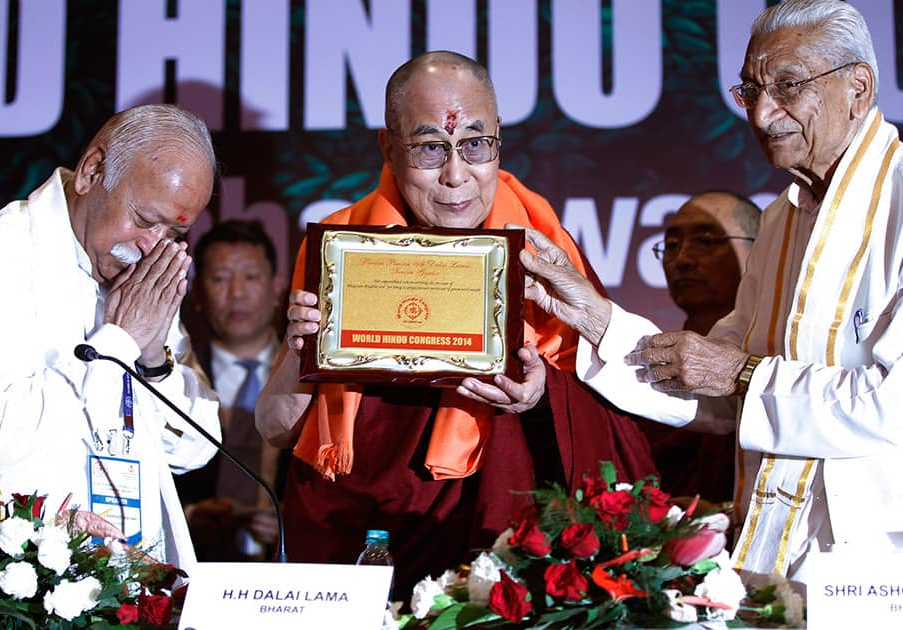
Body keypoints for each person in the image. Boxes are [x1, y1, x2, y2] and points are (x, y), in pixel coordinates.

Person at [518, 0, 899, 593]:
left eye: (788, 86)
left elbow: (889, 409)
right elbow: (718, 398)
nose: (763, 113)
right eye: (750, 90)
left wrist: (742, 372)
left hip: (876, 567)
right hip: (771, 553)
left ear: (859, 86)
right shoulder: (780, 218)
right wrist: (594, 316)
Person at [256, 51, 656, 598]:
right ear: (387, 148)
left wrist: (542, 396)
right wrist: (300, 350)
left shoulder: (542, 247)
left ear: (498, 142)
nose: (455, 174)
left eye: (475, 144)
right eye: (428, 147)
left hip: (497, 545)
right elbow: (278, 429)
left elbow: (609, 421)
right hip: (354, 545)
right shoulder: (340, 248)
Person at [0, 104, 222, 573]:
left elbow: (195, 450)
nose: (154, 245)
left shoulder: (139, 280)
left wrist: (152, 355)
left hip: (120, 589)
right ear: (93, 171)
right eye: (143, 218)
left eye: (175, 231)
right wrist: (118, 342)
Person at [175, 219, 287, 561]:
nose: (236, 292)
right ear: (197, 292)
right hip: (195, 564)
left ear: (276, 287)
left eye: (250, 277)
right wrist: (190, 517)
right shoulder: (175, 372)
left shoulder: (305, 376)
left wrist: (290, 520)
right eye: (220, 278)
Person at [641, 192, 760, 503]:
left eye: (706, 240)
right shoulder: (650, 375)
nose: (683, 260)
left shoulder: (776, 365)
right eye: (671, 246)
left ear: (761, 252)